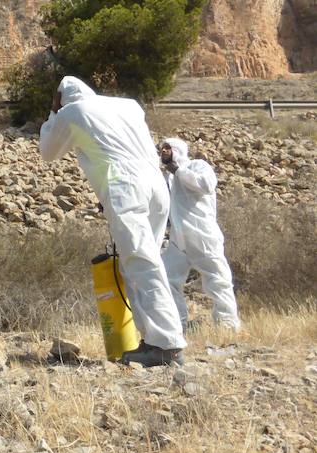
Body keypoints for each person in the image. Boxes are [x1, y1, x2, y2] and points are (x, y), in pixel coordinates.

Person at [39, 76, 185, 366]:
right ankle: (154, 342)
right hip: (156, 186)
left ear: (61, 98)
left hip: (124, 187)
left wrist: (53, 113)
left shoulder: (70, 112)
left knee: (141, 263)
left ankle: (167, 345)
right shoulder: (128, 105)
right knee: (142, 263)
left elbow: (48, 152)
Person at [159, 138, 241, 332]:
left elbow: (206, 185)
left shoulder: (197, 166)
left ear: (178, 150)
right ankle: (178, 326)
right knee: (166, 279)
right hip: (179, 239)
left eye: (167, 148)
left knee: (218, 280)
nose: (163, 151)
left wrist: (179, 171)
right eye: (161, 148)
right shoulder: (166, 178)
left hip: (203, 235)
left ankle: (227, 328)